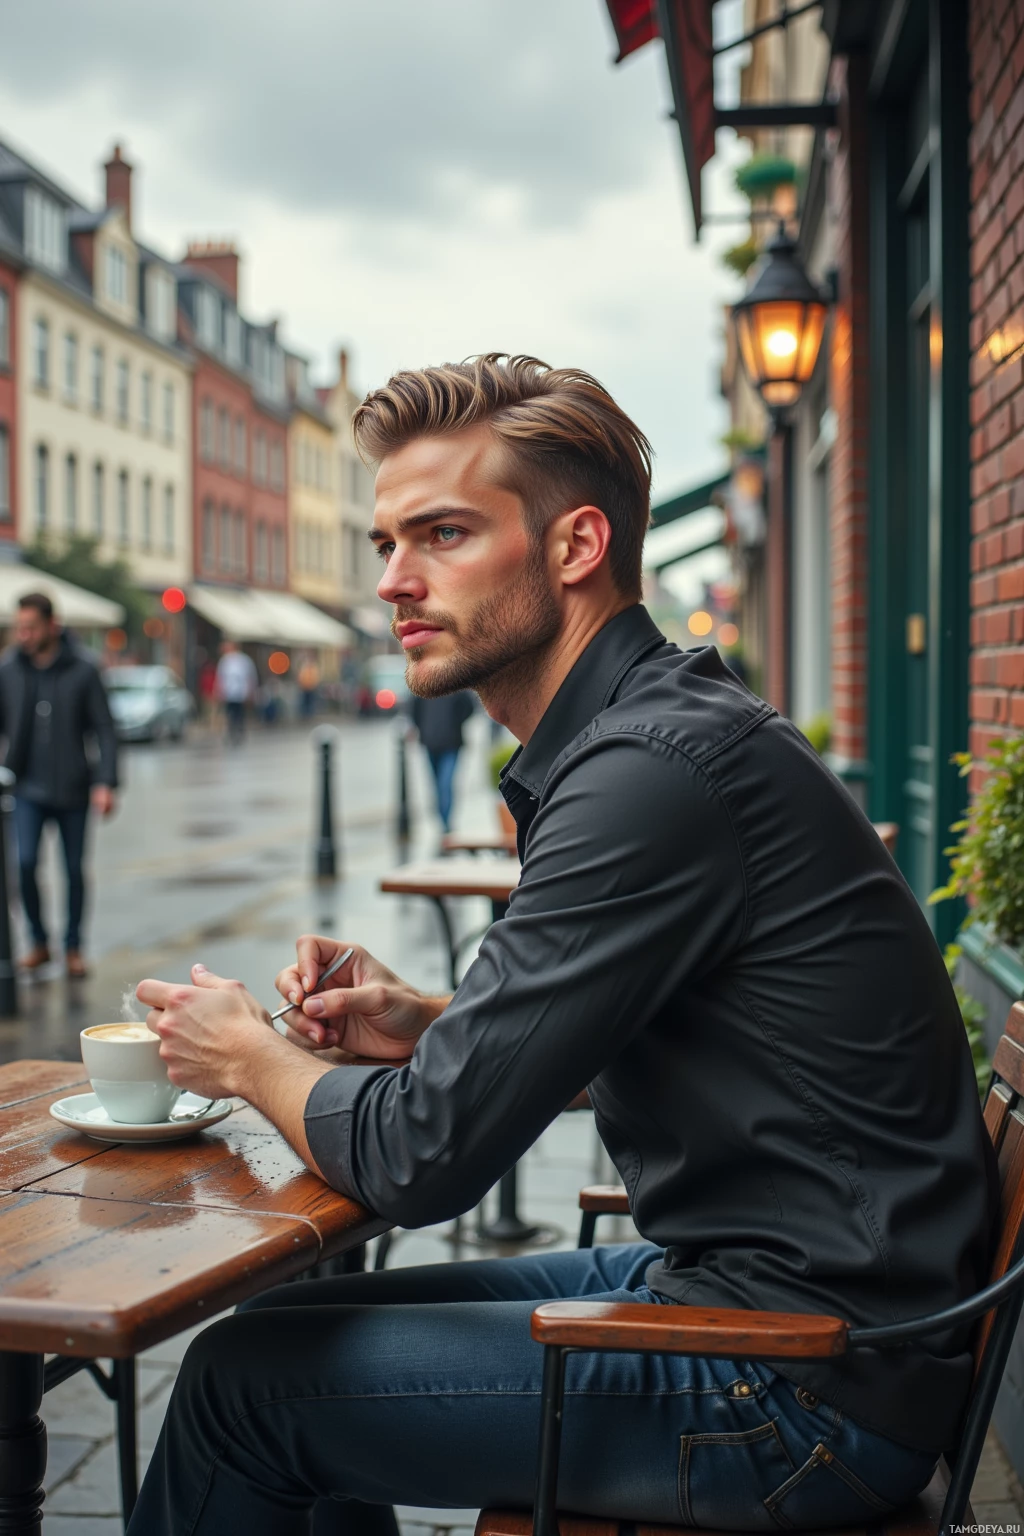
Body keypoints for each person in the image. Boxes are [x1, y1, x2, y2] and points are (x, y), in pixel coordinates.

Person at [130, 356, 995, 1533]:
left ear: (575, 546)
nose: (394, 581)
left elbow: (421, 1160)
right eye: (385, 544)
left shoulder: (649, 773)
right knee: (280, 1335)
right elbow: (672, 1042)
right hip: (759, 1301)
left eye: (440, 533)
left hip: (800, 1385)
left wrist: (245, 1057)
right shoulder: (650, 736)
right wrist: (430, 1026)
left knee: (242, 1393)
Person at [0, 592, 117, 978]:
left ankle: (73, 947)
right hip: (26, 786)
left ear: (53, 625)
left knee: (73, 870)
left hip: (73, 788)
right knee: (25, 863)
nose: (24, 635)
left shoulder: (83, 669)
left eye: (31, 627)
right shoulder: (9, 668)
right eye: (20, 627)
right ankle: (37, 942)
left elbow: (104, 727)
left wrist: (105, 782)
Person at [409, 690, 474, 833]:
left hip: (451, 744)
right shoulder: (423, 685)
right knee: (436, 785)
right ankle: (441, 820)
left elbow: (469, 707)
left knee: (445, 784)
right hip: (430, 743)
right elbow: (414, 709)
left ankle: (445, 823)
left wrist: (457, 722)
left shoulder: (454, 684)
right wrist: (421, 729)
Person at [215, 640, 257, 744]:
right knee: (230, 714)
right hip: (229, 692)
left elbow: (250, 676)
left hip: (240, 692)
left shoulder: (243, 660)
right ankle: (231, 732)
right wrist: (219, 690)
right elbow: (221, 677)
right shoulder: (225, 660)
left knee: (239, 714)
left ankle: (239, 731)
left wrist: (250, 691)